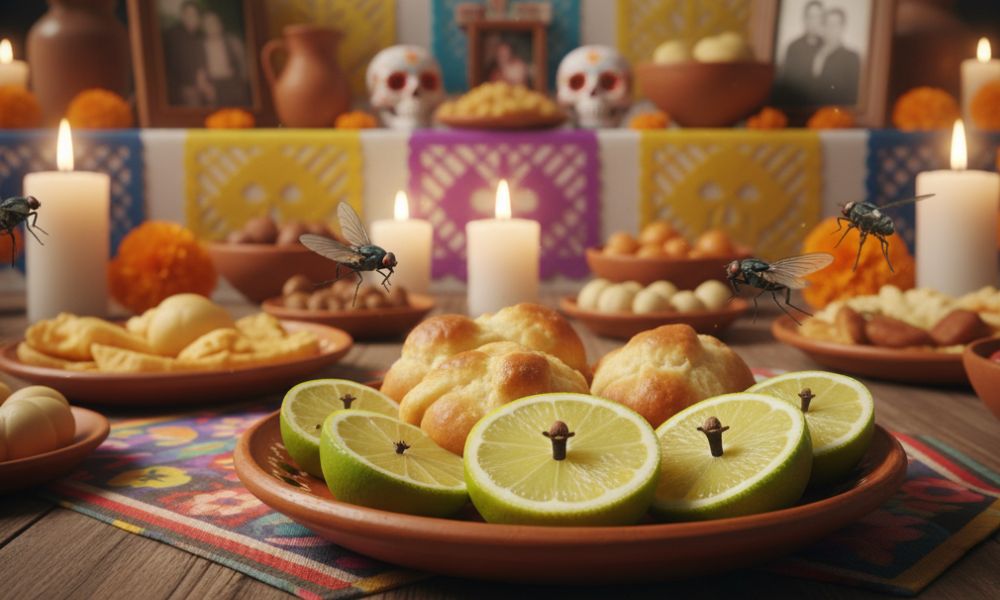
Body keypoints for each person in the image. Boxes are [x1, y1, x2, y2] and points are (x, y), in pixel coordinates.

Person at [775, 0, 825, 105]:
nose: (814, 22)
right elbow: (786, 80)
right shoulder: (793, 47)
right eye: (811, 17)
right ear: (805, 19)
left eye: (818, 17)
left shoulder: (826, 46)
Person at [198, 11, 250, 106]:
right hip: (214, 86)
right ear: (203, 27)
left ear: (220, 24)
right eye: (208, 24)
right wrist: (206, 87)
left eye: (214, 22)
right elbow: (200, 72)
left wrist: (242, 85)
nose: (212, 26)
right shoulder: (200, 46)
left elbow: (244, 65)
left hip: (233, 84)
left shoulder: (233, 42)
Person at [163, 1, 207, 106]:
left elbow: (201, 64)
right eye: (188, 15)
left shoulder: (199, 37)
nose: (192, 18)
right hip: (177, 90)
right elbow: (174, 67)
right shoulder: (173, 35)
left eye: (195, 15)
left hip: (197, 87)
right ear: (182, 16)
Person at [813, 8, 860, 105]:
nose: (830, 29)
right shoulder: (813, 52)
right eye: (827, 24)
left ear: (842, 28)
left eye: (834, 25)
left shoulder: (851, 57)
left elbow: (851, 94)